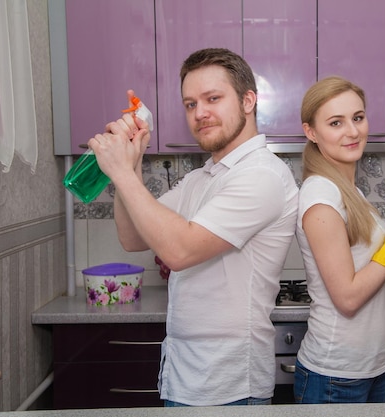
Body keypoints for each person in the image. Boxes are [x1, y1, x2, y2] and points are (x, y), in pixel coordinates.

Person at [88, 48, 299, 406]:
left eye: (212, 98)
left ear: (248, 100)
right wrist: (133, 163)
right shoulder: (202, 178)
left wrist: (122, 172)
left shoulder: (261, 176)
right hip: (186, 379)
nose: (199, 113)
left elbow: (179, 251)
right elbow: (133, 237)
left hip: (228, 388)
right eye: (190, 104)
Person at [293, 76, 385, 403]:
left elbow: (376, 274)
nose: (353, 131)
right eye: (335, 122)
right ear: (311, 132)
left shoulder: (349, 191)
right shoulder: (321, 197)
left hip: (365, 368)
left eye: (358, 118)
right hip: (334, 374)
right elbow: (348, 297)